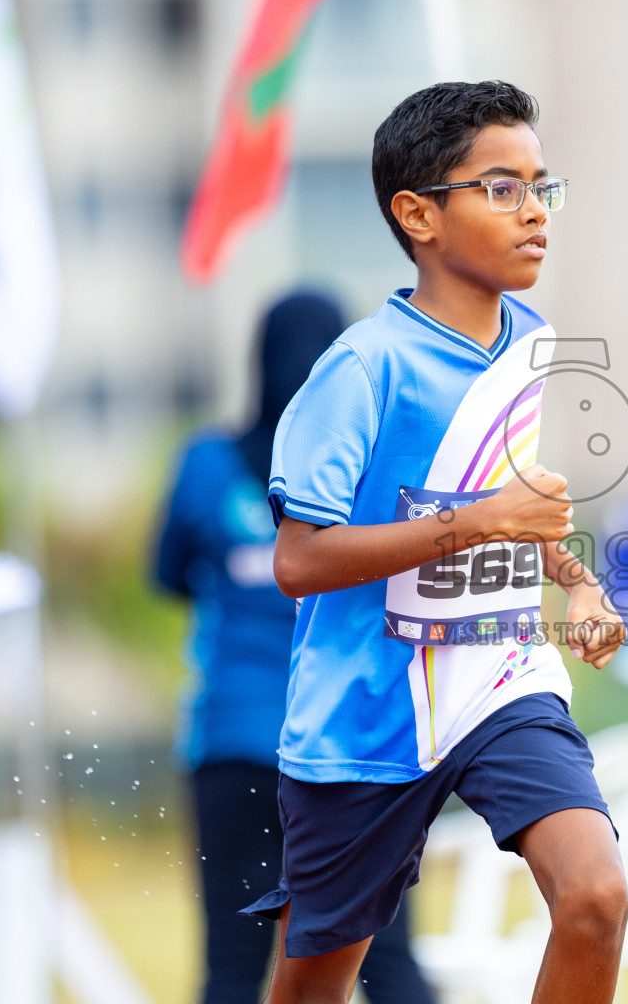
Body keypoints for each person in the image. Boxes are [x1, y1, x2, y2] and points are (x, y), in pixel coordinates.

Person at [243, 80, 628, 1004]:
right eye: (503, 188)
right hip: (364, 714)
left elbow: (510, 504)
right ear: (417, 214)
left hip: (497, 677)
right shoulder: (360, 368)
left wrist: (577, 582)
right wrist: (487, 518)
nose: (535, 211)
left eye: (544, 187)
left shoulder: (530, 342)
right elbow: (298, 563)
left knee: (597, 897)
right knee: (313, 989)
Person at [153, 292, 434, 1004]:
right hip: (352, 743)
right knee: (388, 961)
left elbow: (166, 577)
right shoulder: (371, 476)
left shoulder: (206, 466)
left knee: (231, 968)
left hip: (232, 740)